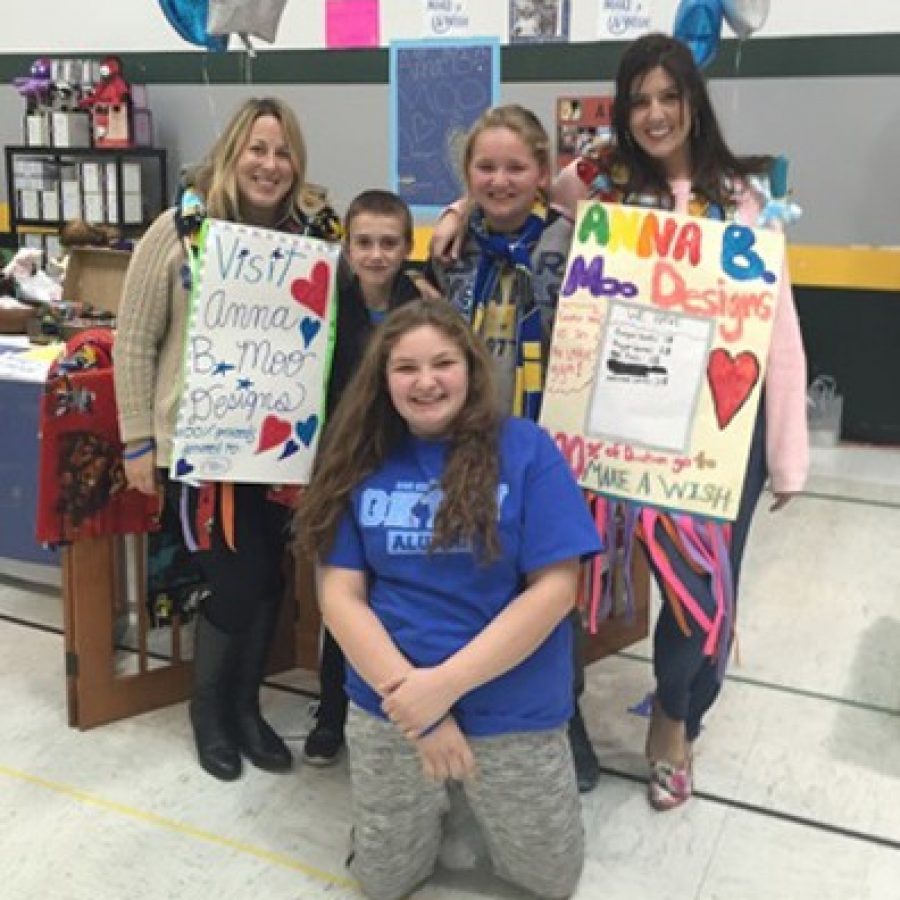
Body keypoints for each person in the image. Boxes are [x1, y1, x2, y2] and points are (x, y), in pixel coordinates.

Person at [433, 32, 809, 811]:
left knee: (703, 591)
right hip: (615, 425)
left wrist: (788, 452)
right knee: (575, 579)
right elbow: (517, 185)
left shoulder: (739, 194)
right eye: (640, 99)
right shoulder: (598, 180)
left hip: (716, 428)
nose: (655, 113)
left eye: (670, 97)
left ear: (692, 103)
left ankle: (676, 716)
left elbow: (779, 324)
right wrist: (461, 206)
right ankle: (557, 712)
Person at [296, 298, 601, 900]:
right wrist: (422, 709)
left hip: (510, 701)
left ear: (470, 367)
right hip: (396, 701)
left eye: (442, 363)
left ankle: (465, 805)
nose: (426, 381)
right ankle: (437, 808)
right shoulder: (356, 457)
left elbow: (557, 589)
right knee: (383, 882)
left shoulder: (527, 449)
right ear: (383, 381)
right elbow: (340, 596)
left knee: (551, 881)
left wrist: (445, 688)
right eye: (406, 368)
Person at [114, 96, 341, 781]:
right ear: (232, 152)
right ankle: (209, 711)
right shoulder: (177, 232)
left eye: (283, 152)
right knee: (236, 585)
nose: (270, 165)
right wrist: (135, 443)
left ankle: (245, 708)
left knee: (269, 580)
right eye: (258, 149)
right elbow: (132, 343)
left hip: (279, 451)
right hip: (202, 450)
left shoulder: (310, 241)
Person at [427, 103, 603, 792]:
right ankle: (473, 702)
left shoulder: (576, 238)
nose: (500, 180)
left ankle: (567, 716)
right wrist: (453, 212)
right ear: (468, 176)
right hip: (468, 443)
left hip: (549, 447)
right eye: (485, 168)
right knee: (475, 580)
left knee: (551, 589)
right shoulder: (453, 247)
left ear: (541, 172)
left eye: (515, 167)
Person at [302, 189, 439, 767]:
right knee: (345, 598)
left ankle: (415, 705)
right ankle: (333, 710)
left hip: (407, 471)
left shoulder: (427, 305)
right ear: (346, 246)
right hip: (341, 471)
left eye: (389, 243)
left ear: (408, 248)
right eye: (364, 242)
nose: (377, 255)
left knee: (404, 594)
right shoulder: (324, 304)